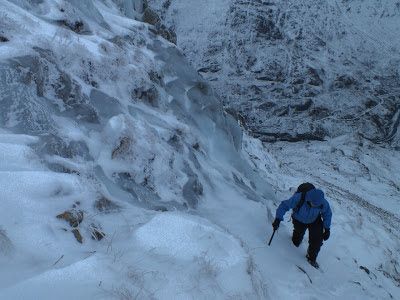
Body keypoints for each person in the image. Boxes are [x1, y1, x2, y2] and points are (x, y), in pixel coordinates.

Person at [272, 183, 332, 268]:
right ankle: (293, 246)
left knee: (317, 239)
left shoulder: (322, 202)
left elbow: (327, 214)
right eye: (313, 204)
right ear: (309, 199)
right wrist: (278, 218)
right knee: (298, 235)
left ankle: (311, 258)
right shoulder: (299, 198)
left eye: (317, 205)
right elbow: (284, 205)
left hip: (314, 220)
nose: (314, 206)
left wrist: (327, 229)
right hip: (299, 219)